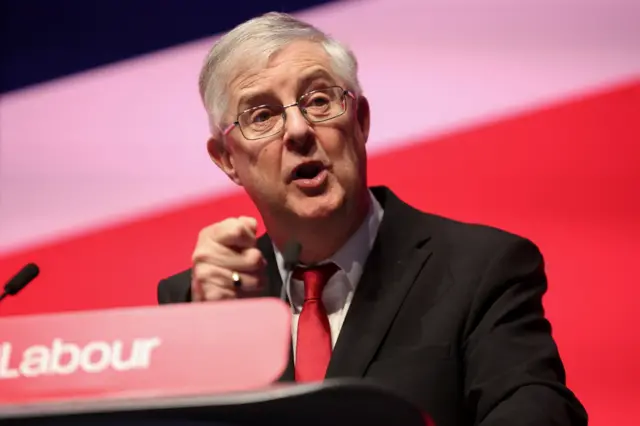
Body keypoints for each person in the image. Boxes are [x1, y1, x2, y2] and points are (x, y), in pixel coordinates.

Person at [157, 12, 588, 426]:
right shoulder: (194, 303)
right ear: (227, 160)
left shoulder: (480, 269)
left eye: (319, 100)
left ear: (360, 120)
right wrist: (215, 331)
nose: (299, 130)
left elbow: (538, 410)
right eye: (262, 116)